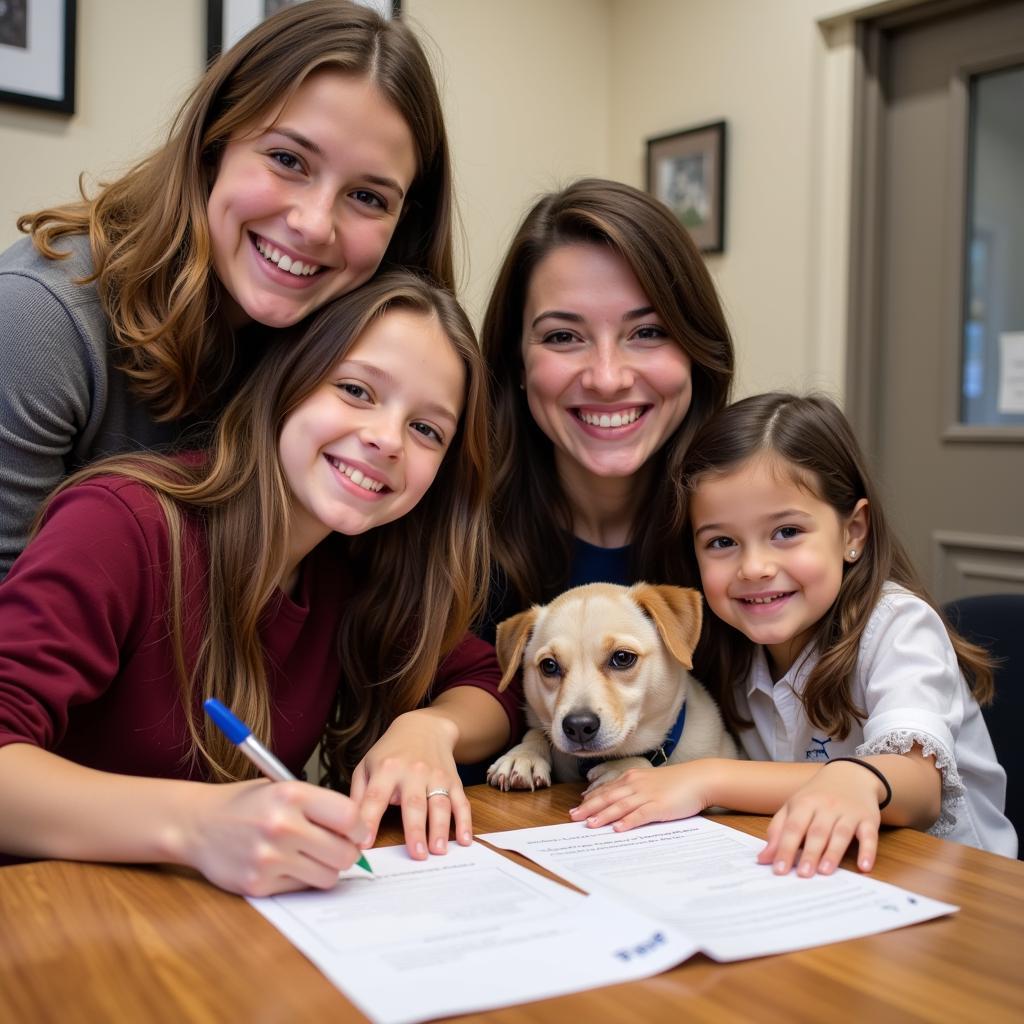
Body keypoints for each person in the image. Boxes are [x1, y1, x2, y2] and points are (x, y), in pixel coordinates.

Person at [0, 273, 516, 896]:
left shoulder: (349, 573)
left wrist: (431, 730)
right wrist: (196, 826)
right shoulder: (120, 524)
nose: (387, 439)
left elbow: (493, 684)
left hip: (218, 936)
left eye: (428, 429)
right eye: (356, 390)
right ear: (285, 381)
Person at [0, 0, 453, 576]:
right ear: (215, 145)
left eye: (367, 197)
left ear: (402, 225)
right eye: (288, 159)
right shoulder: (38, 320)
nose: (314, 224)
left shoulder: (359, 357)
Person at [571, 393, 1017, 871]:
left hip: (963, 891)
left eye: (786, 532)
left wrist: (713, 778)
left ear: (853, 533)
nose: (755, 567)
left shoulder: (898, 627)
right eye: (722, 542)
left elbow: (918, 790)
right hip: (829, 879)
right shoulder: (731, 646)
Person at [478, 178, 735, 643]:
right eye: (563, 336)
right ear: (516, 360)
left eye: (648, 332)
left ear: (696, 349)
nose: (607, 377)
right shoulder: (457, 544)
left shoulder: (751, 542)